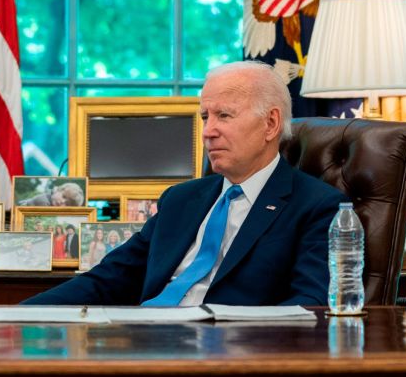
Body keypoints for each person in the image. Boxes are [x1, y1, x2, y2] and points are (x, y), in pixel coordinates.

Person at [24, 60, 346, 307]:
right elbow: (110, 278)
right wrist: (18, 315)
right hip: (145, 346)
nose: (208, 131)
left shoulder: (316, 207)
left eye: (224, 116)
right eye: (206, 116)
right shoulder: (180, 200)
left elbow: (309, 308)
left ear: (271, 123)